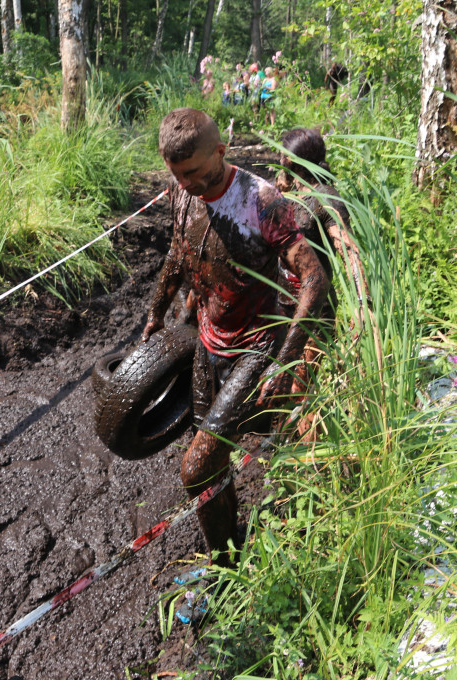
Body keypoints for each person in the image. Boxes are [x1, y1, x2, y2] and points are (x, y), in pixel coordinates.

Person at [142, 109, 329, 568]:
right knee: (212, 467)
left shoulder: (262, 201)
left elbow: (314, 279)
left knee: (195, 466)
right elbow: (178, 252)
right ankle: (226, 563)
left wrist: (287, 359)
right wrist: (155, 313)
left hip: (257, 346)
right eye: (177, 174)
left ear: (221, 153)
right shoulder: (180, 193)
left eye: (196, 173)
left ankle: (282, 527)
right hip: (209, 343)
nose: (187, 184)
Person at [275, 128, 369, 439]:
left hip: (313, 311)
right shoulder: (290, 191)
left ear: (294, 160)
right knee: (280, 384)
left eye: (282, 156)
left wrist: (362, 302)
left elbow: (349, 250)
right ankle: (283, 447)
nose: (278, 160)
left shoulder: (325, 197)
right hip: (280, 305)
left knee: (304, 390)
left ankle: (308, 461)